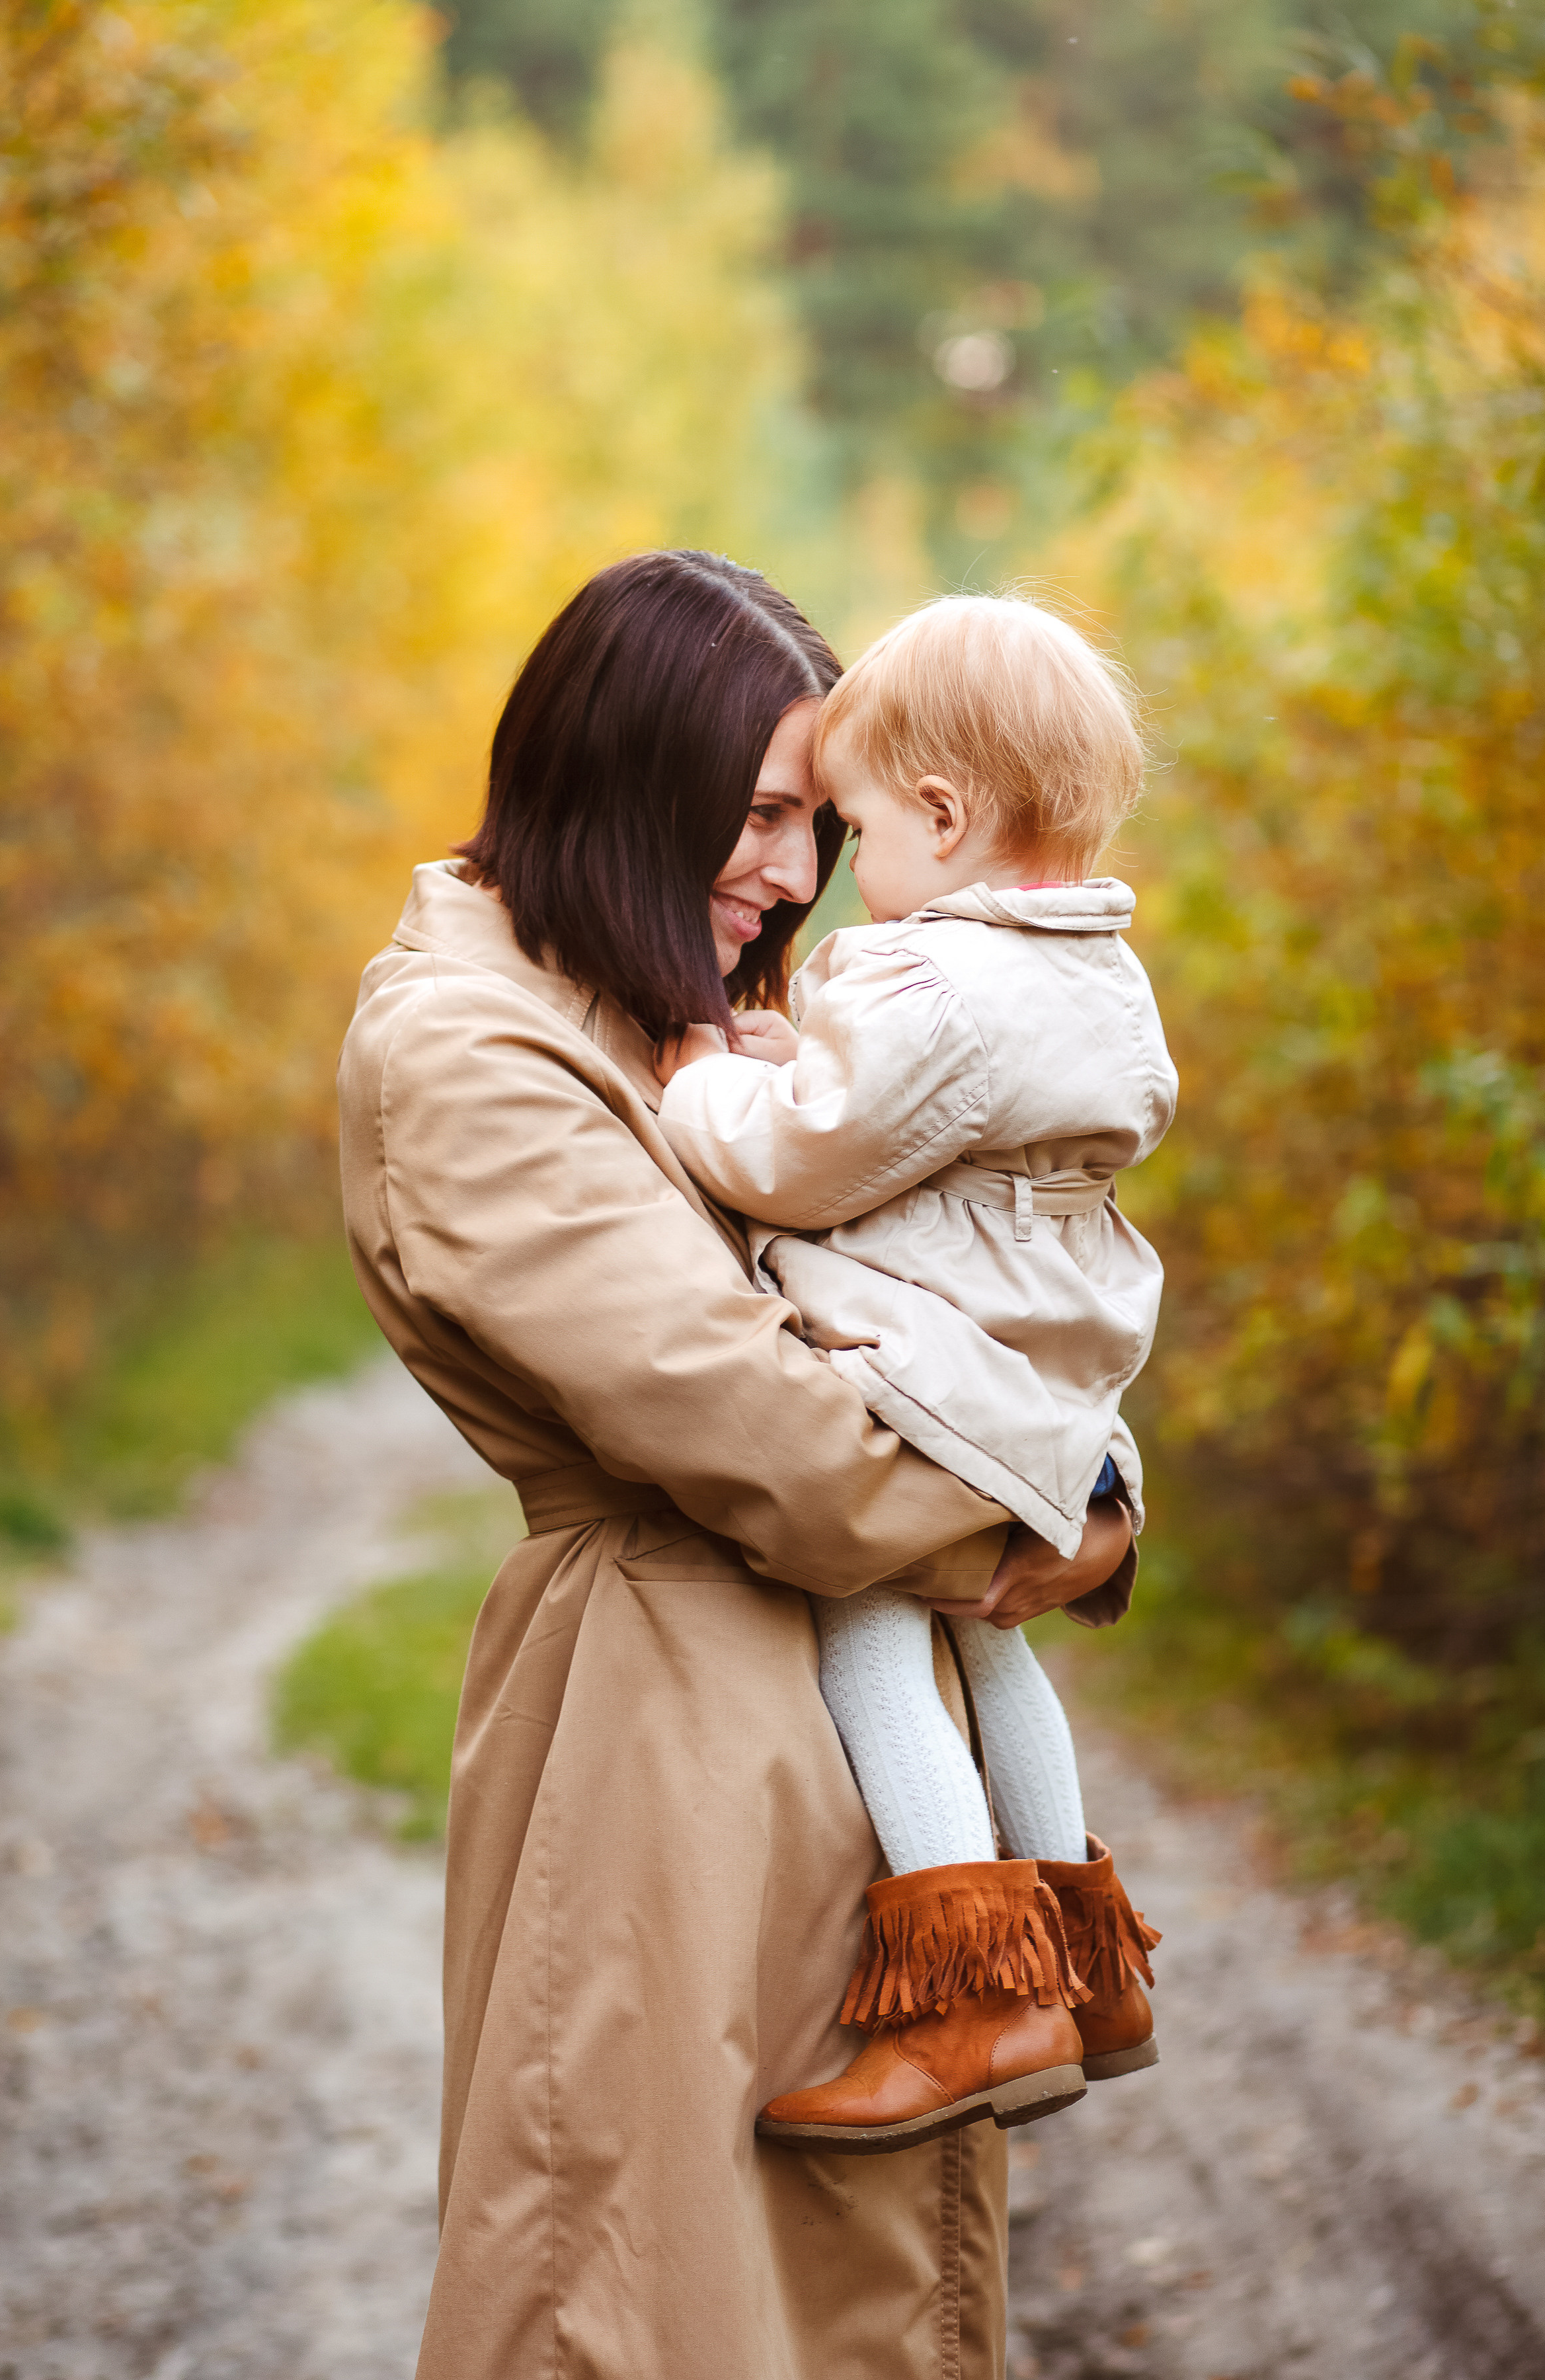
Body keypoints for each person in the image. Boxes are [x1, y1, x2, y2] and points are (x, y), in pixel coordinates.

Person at [337, 551, 1134, 2380]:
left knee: (833, 2288)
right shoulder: (470, 1048)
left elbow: (968, 1298)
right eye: (762, 812)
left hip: (825, 1724)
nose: (790, 871)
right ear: (626, 768)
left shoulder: (665, 1015)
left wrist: (1092, 1494)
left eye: (813, 825)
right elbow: (767, 1428)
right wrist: (1063, 1511)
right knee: (638, 2284)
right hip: (665, 1745)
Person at [656, 594, 1173, 2153]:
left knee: (874, 1639)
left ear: (941, 815)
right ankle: (1087, 1963)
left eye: (861, 827)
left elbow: (814, 1164)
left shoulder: (924, 977)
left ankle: (969, 2000)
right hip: (1049, 1384)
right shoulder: (1095, 975)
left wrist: (696, 1094)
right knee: (995, 1650)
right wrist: (791, 1067)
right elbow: (928, 1130)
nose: (840, 873)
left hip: (941, 1380)